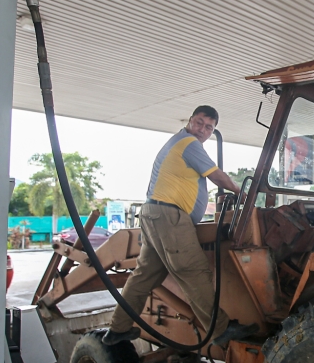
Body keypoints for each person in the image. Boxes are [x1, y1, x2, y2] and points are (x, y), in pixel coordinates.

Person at [103, 106, 258, 347]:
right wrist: (241, 193)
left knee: (144, 276)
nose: (202, 130)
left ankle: (117, 328)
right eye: (199, 123)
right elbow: (216, 176)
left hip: (155, 215)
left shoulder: (178, 143)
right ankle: (221, 330)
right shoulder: (188, 143)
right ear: (190, 120)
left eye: (209, 128)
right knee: (194, 272)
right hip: (170, 218)